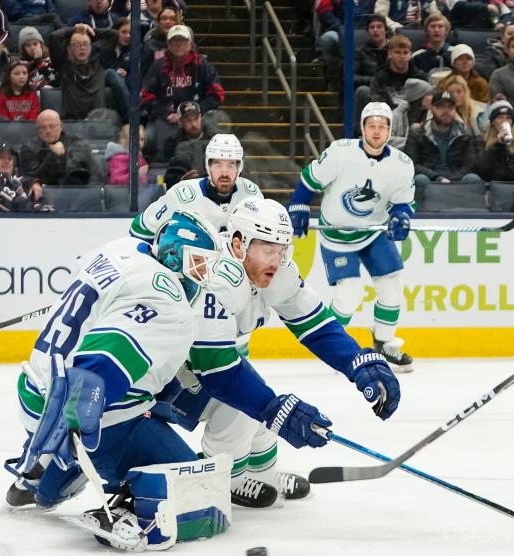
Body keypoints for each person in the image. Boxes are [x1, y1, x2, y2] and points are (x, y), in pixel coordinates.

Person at [3, 211, 236, 551]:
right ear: (173, 255)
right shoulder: (168, 301)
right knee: (198, 493)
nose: (202, 275)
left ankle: (45, 477)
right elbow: (104, 361)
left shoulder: (121, 249)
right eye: (198, 263)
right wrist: (76, 419)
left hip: (35, 389)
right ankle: (125, 509)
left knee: (161, 391)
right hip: (82, 410)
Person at [151, 199, 402, 507]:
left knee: (259, 418)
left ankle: (265, 476)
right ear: (238, 242)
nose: (277, 259)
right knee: (241, 411)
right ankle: (220, 483)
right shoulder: (217, 278)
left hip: (210, 367)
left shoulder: (275, 270)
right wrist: (275, 409)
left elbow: (315, 325)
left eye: (282, 249)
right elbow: (217, 372)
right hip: (167, 376)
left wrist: (356, 361)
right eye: (268, 249)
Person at [287, 103, 417, 371]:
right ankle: (334, 347)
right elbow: (311, 180)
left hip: (373, 232)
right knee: (349, 294)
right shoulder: (341, 153)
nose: (377, 131)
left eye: (383, 126)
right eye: (372, 125)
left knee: (392, 287)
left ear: (390, 130)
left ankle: (384, 342)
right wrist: (299, 204)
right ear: (362, 127)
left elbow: (402, 203)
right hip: (336, 234)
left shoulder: (402, 165)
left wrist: (401, 217)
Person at [131, 134, 263, 242]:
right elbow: (140, 228)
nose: (224, 173)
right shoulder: (181, 195)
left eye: (231, 165)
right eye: (217, 165)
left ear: (239, 168)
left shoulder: (251, 195)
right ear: (208, 166)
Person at [141, 25, 224, 155]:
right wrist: (165, 114)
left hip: (199, 117)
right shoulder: (158, 66)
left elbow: (217, 93)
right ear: (168, 44)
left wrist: (197, 111)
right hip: (167, 118)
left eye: (183, 41)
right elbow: (146, 95)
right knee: (149, 139)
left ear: (190, 44)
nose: (179, 44)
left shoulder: (202, 64)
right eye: (175, 41)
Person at [405, 90, 480, 186]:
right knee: (420, 179)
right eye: (440, 107)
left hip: (456, 180)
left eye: (450, 107)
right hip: (430, 179)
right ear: (431, 109)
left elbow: (471, 165)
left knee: (473, 178)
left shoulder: (465, 133)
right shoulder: (417, 132)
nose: (446, 111)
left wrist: (450, 180)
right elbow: (411, 164)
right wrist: (438, 178)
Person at [19, 109, 97, 186]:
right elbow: (34, 179)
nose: (48, 131)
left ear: (61, 126)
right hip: (46, 194)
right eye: (43, 127)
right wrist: (53, 155)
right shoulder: (29, 148)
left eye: (52, 126)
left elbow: (93, 172)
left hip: (78, 191)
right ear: (38, 130)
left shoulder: (77, 142)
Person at [473, 99, 514, 183]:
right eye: (500, 117)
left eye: (508, 118)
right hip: (488, 185)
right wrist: (497, 144)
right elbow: (480, 168)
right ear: (492, 122)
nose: (504, 121)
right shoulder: (480, 140)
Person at [0, 142, 51, 211]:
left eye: (9, 158)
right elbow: (11, 204)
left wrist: (33, 182)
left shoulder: (11, 181)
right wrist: (36, 207)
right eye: (1, 157)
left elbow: (20, 181)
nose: (6, 161)